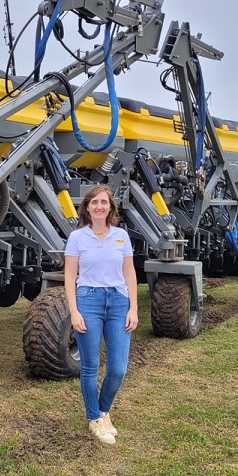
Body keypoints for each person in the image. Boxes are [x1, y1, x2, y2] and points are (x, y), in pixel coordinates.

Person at [64, 184, 138, 444]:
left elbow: (129, 273)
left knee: (118, 368)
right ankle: (95, 418)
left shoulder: (121, 236)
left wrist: (134, 308)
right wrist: (74, 311)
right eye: (94, 202)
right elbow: (70, 276)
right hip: (88, 301)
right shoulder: (77, 238)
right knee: (90, 366)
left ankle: (104, 410)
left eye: (104, 202)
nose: (99, 206)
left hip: (119, 302)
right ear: (86, 207)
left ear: (110, 207)